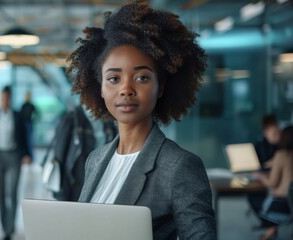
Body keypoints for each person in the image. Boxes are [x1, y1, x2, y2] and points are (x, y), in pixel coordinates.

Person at [67, 1, 216, 239]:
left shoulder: (179, 166)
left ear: (161, 87)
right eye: (114, 79)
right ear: (101, 89)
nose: (126, 89)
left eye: (142, 77)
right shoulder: (94, 160)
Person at [0, 86, 30, 240]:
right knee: (0, 193)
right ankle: (4, 229)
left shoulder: (17, 115)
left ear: (10, 99)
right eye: (2, 98)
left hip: (14, 155)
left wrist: (27, 153)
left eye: (7, 98)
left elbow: (24, 135)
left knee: (12, 192)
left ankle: (10, 228)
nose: (4, 101)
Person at [252, 126, 293, 240]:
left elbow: (272, 183)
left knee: (253, 197)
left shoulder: (281, 155)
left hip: (282, 205)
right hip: (290, 202)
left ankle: (270, 227)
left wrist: (260, 176)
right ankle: (271, 230)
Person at [20, 91, 38, 159]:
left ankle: (30, 155)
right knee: (25, 140)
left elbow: (37, 113)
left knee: (30, 140)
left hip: (29, 124)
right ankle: (25, 154)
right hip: (24, 125)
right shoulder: (23, 105)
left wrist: (34, 120)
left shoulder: (31, 105)